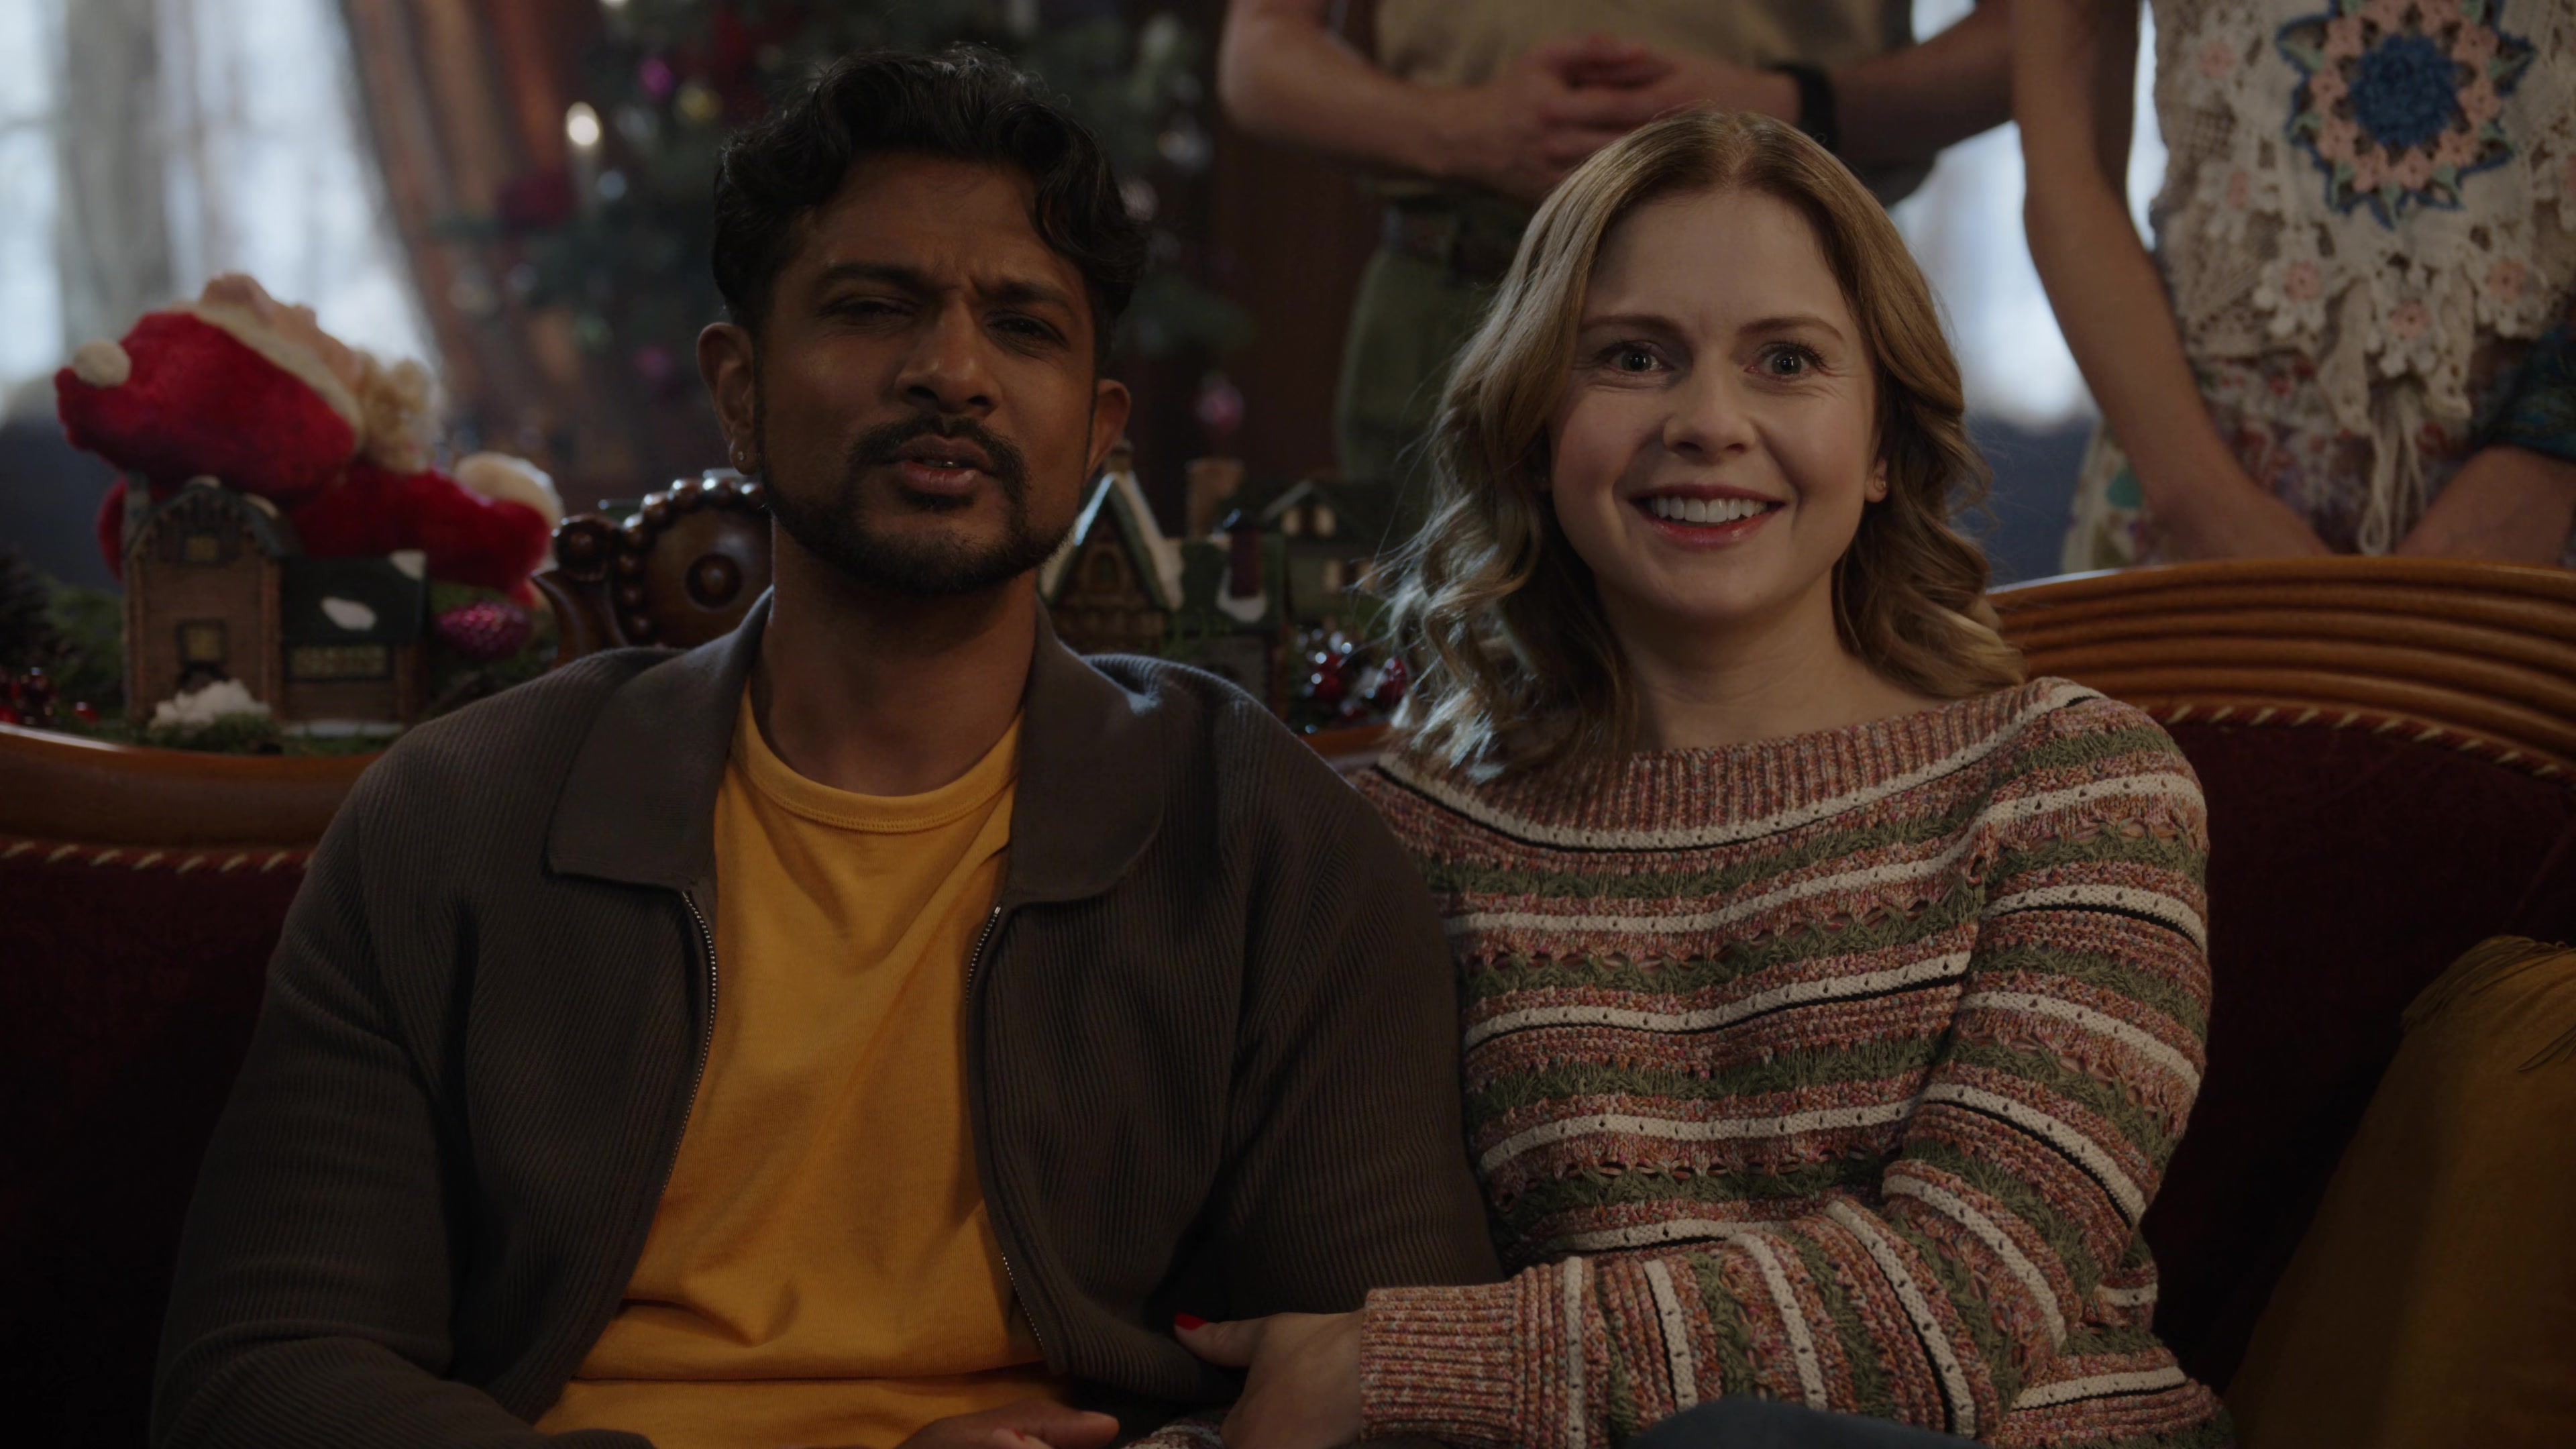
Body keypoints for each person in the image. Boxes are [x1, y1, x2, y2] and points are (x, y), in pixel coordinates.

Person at [150, 50, 1497, 1449]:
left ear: (1099, 432)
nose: (951, 372)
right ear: (738, 390)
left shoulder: (1264, 841)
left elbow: (1397, 1378)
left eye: (1024, 326)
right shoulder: (459, 815)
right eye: (872, 308)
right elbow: (262, 1374)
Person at [1173, 111, 2229, 1448]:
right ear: (1535, 425)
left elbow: (1945, 1315)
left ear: (1885, 442)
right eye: (1632, 357)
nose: (1710, 423)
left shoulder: (2077, 786)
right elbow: (1300, 1307)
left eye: (1787, 361)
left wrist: (1385, 1363)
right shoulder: (1405, 835)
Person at [1217, 0, 2018, 504]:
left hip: (1796, 297)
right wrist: (1463, 134)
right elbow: (1259, 52)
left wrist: (1795, 109)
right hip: (1459, 294)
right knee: (1427, 681)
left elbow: (2041, 37)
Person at [2020, 0, 2576, 568]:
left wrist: (2548, 454)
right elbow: (2066, 164)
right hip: (2193, 491)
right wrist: (2203, 503)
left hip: (2541, 517)